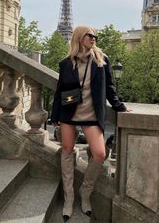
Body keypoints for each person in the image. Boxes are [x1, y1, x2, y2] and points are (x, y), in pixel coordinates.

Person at [51, 25, 128, 221]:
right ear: (79, 37)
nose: (93, 38)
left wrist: (119, 106)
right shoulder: (66, 63)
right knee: (67, 150)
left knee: (100, 153)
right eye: (89, 35)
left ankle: (85, 193)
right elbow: (60, 91)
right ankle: (69, 198)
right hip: (69, 112)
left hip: (92, 114)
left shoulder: (101, 60)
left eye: (95, 36)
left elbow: (109, 87)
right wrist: (55, 116)